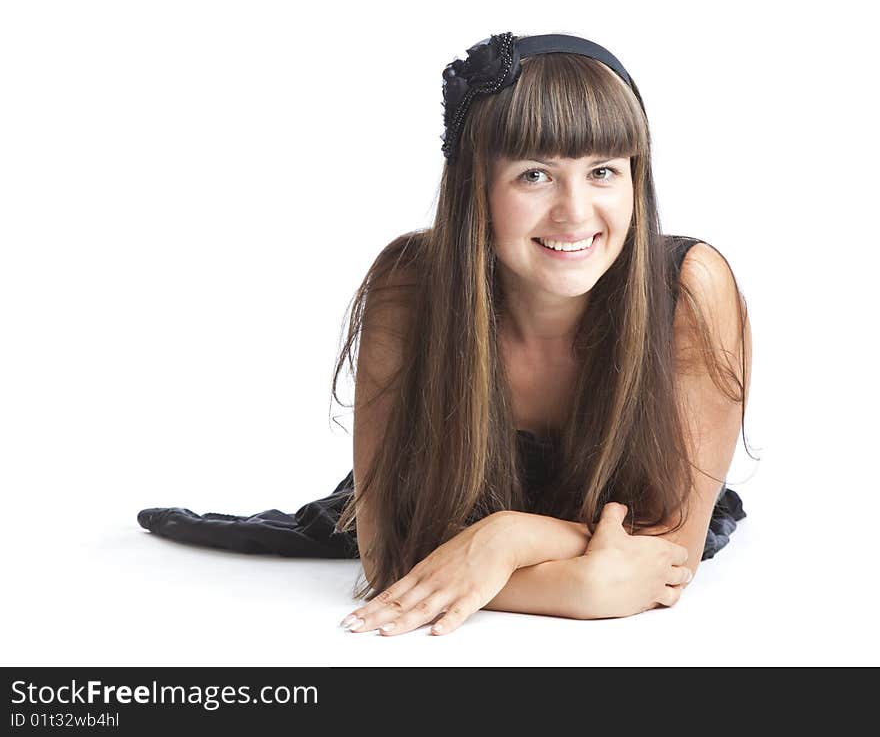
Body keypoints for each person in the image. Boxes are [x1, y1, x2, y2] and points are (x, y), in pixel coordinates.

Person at [138, 31, 755, 636]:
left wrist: (508, 536)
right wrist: (573, 587)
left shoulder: (690, 288)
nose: (574, 212)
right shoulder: (409, 286)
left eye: (602, 171)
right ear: (474, 188)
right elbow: (387, 554)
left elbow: (667, 556)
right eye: (534, 175)